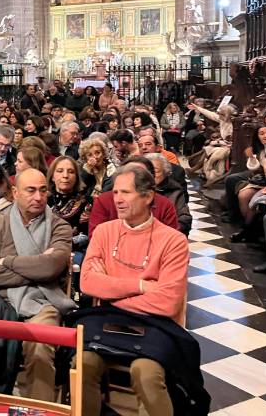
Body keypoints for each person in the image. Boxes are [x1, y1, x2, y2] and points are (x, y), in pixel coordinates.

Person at [80, 164, 191, 416]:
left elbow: (168, 303)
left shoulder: (173, 241)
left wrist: (110, 290)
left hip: (156, 325)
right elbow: (87, 283)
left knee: (147, 373)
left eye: (126, 193)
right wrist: (141, 286)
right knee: (82, 364)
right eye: (115, 192)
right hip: (107, 322)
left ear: (148, 196)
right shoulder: (104, 232)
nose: (117, 200)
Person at [0, 168, 75, 401]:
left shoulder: (59, 226)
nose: (39, 197)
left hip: (43, 302)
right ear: (15, 192)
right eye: (31, 190)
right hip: (1, 301)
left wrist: (9, 262)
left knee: (40, 345)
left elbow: (51, 268)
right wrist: (38, 269)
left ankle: (39, 408)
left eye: (43, 190)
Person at [88, 156, 179, 237]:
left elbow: (172, 240)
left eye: (139, 175)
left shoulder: (164, 204)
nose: (118, 200)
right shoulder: (104, 201)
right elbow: (95, 239)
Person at [227, 124, 266, 241]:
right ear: (257, 136)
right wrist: (251, 158)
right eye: (262, 133)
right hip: (264, 181)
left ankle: (247, 230)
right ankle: (249, 228)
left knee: (254, 197)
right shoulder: (260, 147)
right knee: (243, 195)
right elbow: (256, 169)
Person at [48, 156, 91, 262]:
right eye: (60, 171)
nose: (65, 176)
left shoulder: (87, 202)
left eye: (71, 172)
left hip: (75, 253)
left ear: (76, 176)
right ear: (52, 176)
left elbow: (86, 236)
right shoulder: (43, 200)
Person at [147, 153, 191, 235]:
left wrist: (167, 233)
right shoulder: (138, 189)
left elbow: (184, 219)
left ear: (165, 173)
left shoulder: (174, 190)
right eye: (147, 171)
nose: (150, 175)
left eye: (155, 171)